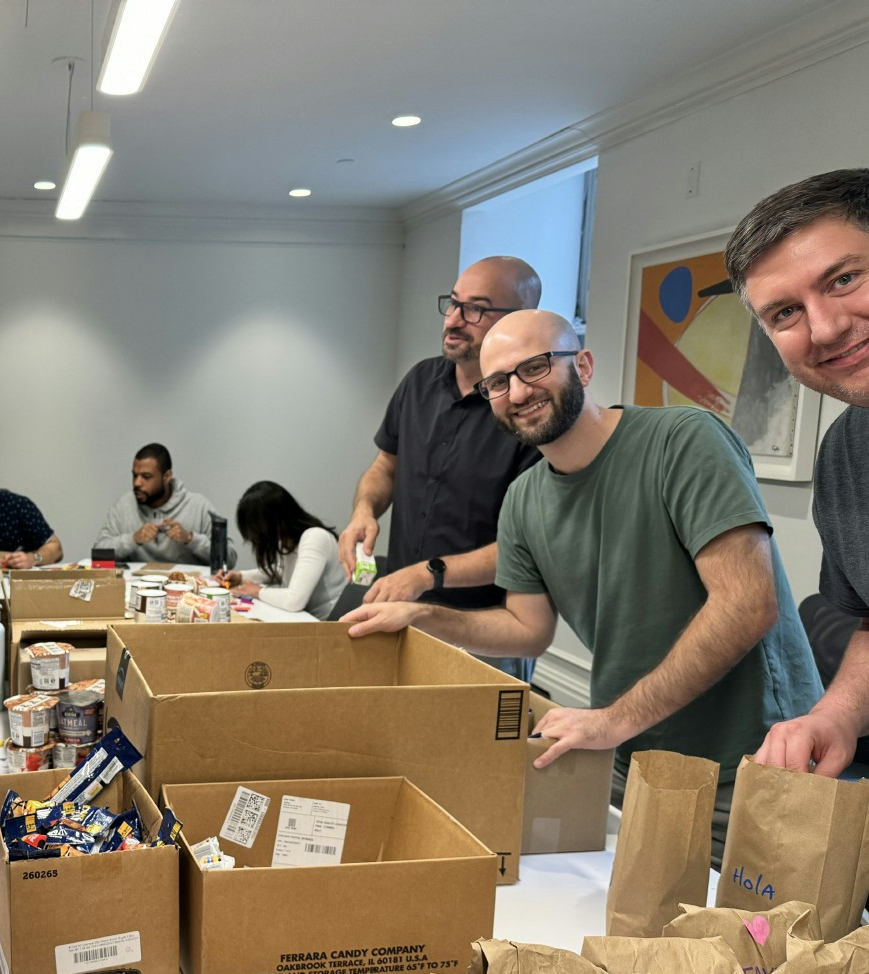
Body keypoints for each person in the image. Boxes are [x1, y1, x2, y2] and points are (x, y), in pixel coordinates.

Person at [344, 309, 820, 862]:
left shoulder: (683, 441)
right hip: (631, 762)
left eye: (535, 367)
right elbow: (526, 631)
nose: (517, 392)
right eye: (498, 382)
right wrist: (426, 616)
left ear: (584, 365)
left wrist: (613, 720)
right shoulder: (524, 500)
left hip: (752, 767)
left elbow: (747, 603)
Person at [336, 257, 544, 679]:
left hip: (484, 632)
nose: (453, 320)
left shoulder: (532, 409)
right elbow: (385, 467)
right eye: (452, 303)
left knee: (468, 745)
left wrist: (427, 575)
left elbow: (531, 546)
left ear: (518, 320)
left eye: (476, 309)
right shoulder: (419, 382)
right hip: (397, 611)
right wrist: (364, 511)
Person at [727, 168, 869, 778]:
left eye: (844, 278)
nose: (826, 328)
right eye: (786, 312)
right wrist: (837, 713)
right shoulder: (845, 454)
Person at [216, 481, 347, 619]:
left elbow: (294, 600)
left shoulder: (315, 538)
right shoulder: (287, 539)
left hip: (329, 625)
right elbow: (282, 571)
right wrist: (241, 576)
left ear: (272, 522)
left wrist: (257, 591)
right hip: (307, 619)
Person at [94, 442, 234, 566]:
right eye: (134, 475)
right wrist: (133, 539)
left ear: (167, 477)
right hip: (136, 589)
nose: (137, 483)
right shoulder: (123, 506)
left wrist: (190, 539)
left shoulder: (199, 506)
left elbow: (229, 559)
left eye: (146, 477)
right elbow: (98, 556)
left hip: (188, 591)